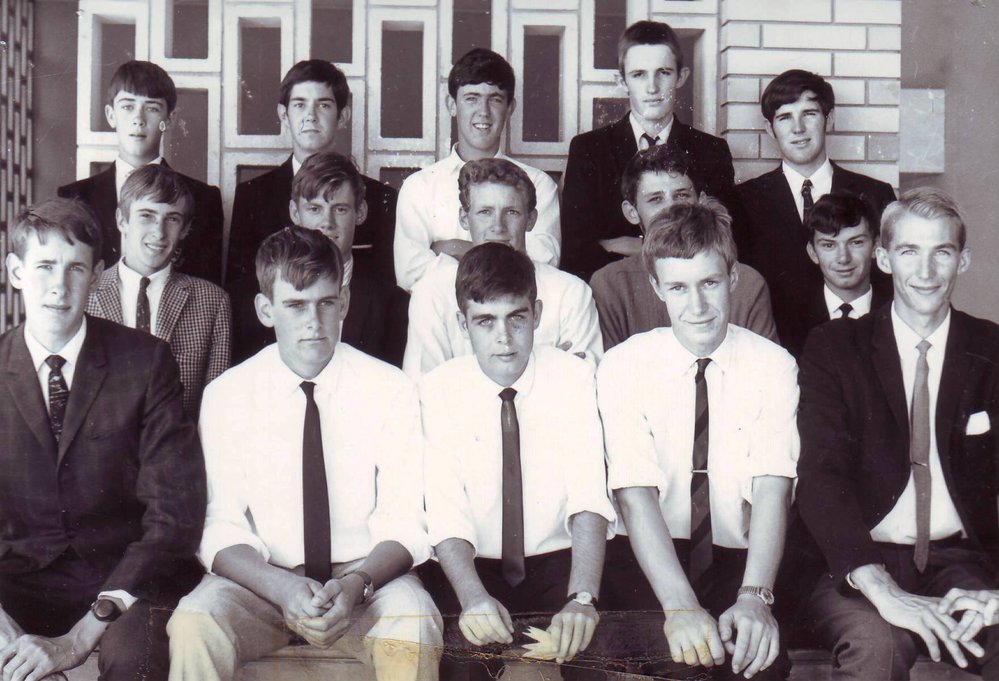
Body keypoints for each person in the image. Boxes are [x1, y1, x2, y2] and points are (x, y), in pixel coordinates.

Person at [167, 226, 442, 681]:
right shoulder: (228, 394)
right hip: (261, 585)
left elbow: (406, 519)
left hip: (365, 586)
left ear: (344, 303)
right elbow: (219, 523)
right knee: (195, 622)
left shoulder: (390, 388)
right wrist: (281, 586)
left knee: (413, 624)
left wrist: (356, 584)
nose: (313, 322)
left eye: (326, 302)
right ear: (265, 310)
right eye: (295, 305)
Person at [796, 187, 999, 680]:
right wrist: (881, 588)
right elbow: (821, 478)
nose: (926, 272)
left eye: (942, 253)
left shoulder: (991, 348)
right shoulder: (834, 347)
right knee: (877, 646)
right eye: (909, 252)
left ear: (963, 260)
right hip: (856, 564)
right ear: (884, 258)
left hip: (961, 560)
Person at [0, 198, 205, 681]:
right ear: (15, 272)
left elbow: (173, 514)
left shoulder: (147, 362)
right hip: (15, 582)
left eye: (76, 269)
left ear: (96, 277)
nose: (59, 285)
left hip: (120, 582)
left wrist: (81, 637)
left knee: (134, 659)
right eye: (45, 266)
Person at [597, 200, 798, 680]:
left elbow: (774, 487)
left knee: (757, 664)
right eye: (679, 288)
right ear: (656, 289)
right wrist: (680, 605)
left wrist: (755, 599)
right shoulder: (624, 365)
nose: (699, 306)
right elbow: (633, 494)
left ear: (733, 278)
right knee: (679, 663)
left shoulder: (773, 365)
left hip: (739, 561)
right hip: (650, 559)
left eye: (710, 283)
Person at [419, 242, 617, 680]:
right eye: (485, 321)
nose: (504, 339)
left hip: (557, 561)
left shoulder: (574, 376)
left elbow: (588, 496)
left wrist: (582, 599)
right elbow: (446, 513)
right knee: (462, 660)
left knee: (592, 653)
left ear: (538, 314)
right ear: (462, 324)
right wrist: (472, 598)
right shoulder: (438, 389)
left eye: (517, 318)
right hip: (474, 566)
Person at [562, 20, 736, 281]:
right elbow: (577, 252)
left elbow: (723, 243)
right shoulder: (589, 149)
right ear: (621, 81)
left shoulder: (711, 150)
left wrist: (626, 245)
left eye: (664, 72)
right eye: (639, 74)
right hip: (616, 292)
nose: (652, 88)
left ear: (681, 76)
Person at [737, 69, 896, 354]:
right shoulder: (744, 201)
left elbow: (889, 283)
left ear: (829, 119)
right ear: (769, 129)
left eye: (809, 114)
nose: (798, 129)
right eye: (785, 117)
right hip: (775, 353)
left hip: (860, 353)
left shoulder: (875, 193)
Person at [403, 158, 601, 377]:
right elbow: (426, 389)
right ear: (464, 218)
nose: (498, 227)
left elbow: (582, 384)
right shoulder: (432, 293)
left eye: (511, 212)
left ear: (531, 220)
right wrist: (547, 367)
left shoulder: (571, 292)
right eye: (485, 212)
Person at [394, 48, 561, 292]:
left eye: (495, 99)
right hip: (439, 320)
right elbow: (410, 273)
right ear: (451, 105)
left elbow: (543, 265)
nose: (483, 112)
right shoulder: (419, 186)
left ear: (510, 107)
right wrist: (504, 254)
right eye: (471, 98)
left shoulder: (539, 184)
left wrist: (451, 248)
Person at [226, 59, 398, 287]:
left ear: (343, 116)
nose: (311, 116)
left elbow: (385, 288)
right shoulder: (253, 196)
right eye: (299, 104)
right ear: (283, 114)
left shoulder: (378, 197)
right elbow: (241, 291)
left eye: (323, 105)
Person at [229, 151, 408, 366]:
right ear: (294, 213)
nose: (327, 222)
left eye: (340, 209)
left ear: (360, 212)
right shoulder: (246, 302)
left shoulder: (392, 304)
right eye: (315, 209)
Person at [589, 145, 775, 350]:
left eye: (682, 195)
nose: (671, 208)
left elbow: (763, 369)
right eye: (655, 199)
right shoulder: (609, 285)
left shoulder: (747, 283)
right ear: (632, 212)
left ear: (701, 201)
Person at [58, 60, 224, 283]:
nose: (138, 119)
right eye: (128, 106)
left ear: (169, 120)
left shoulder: (203, 198)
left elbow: (206, 290)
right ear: (111, 115)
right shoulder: (73, 198)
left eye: (152, 108)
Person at [87, 164, 231, 418]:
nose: (159, 232)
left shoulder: (212, 302)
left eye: (172, 219)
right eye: (147, 215)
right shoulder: (87, 293)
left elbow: (215, 407)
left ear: (185, 229)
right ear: (122, 220)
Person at [777, 191, 892, 357]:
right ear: (813, 252)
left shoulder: (897, 308)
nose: (843, 258)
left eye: (856, 242)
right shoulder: (788, 319)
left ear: (875, 246)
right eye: (829, 245)